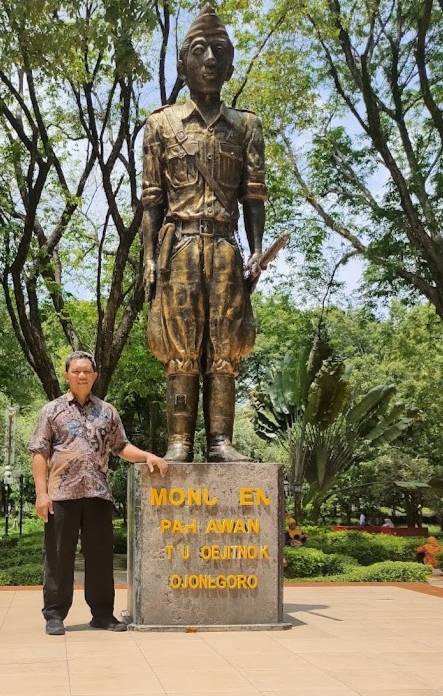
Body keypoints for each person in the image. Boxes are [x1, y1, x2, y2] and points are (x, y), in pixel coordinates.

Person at [142, 3, 268, 462]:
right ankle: (179, 442)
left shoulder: (246, 126)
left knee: (225, 341)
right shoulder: (161, 125)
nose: (210, 60)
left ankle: (221, 442)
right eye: (200, 50)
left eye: (219, 51)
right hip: (178, 247)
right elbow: (151, 201)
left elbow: (254, 195)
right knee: (180, 342)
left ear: (230, 62)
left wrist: (255, 251)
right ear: (183, 64)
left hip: (224, 248)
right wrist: (149, 259)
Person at [29, 351, 168, 636]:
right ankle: (54, 615)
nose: (82, 375)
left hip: (97, 494)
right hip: (61, 496)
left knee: (100, 557)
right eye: (76, 371)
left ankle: (102, 615)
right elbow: (40, 453)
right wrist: (41, 494)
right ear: (67, 375)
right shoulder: (51, 410)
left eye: (87, 371)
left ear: (94, 375)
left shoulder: (107, 411)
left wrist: (147, 456)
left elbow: (121, 447)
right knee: (58, 557)